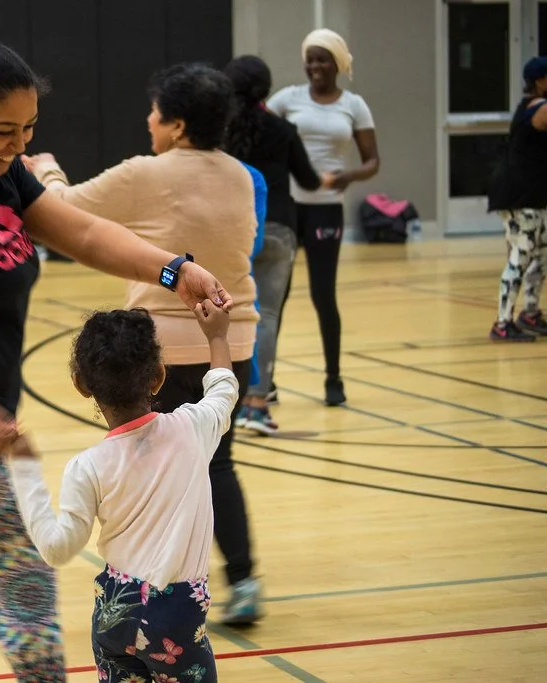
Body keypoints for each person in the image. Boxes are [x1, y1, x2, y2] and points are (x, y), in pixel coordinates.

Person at [0, 28, 234, 682]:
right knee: (27, 582)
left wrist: (174, 269)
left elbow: (83, 232)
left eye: (29, 128)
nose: (19, 146)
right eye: (4, 130)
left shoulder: (2, 175)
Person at [26, 63, 264, 624]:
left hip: (158, 351)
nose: (148, 121)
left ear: (177, 126)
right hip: (230, 337)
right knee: (217, 465)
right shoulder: (238, 174)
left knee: (143, 467)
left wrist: (47, 168)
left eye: (156, 113)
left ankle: (152, 581)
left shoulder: (147, 172)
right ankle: (244, 580)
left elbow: (65, 210)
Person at [8, 303, 237, 683]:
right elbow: (223, 390)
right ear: (158, 377)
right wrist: (216, 336)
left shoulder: (87, 466)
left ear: (82, 385)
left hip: (114, 610)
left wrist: (26, 469)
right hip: (175, 618)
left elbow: (56, 548)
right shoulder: (193, 428)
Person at [267, 29, 380, 406]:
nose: (315, 66)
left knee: (323, 294)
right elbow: (259, 130)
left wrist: (345, 177)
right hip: (286, 208)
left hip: (326, 207)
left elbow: (372, 161)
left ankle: (333, 378)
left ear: (337, 63)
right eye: (310, 59)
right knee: (275, 296)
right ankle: (265, 381)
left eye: (323, 59)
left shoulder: (354, 105)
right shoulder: (287, 99)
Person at [225, 54, 328, 433]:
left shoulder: (220, 131)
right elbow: (310, 180)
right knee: (266, 316)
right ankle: (257, 404)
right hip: (280, 228)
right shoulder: (284, 129)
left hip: (235, 231)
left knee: (228, 315)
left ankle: (224, 403)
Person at [487, 56, 547, 341]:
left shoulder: (529, 106)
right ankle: (502, 323)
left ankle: (530, 314)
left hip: (532, 193)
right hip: (519, 194)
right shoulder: (540, 108)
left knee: (542, 253)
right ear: (540, 81)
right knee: (520, 255)